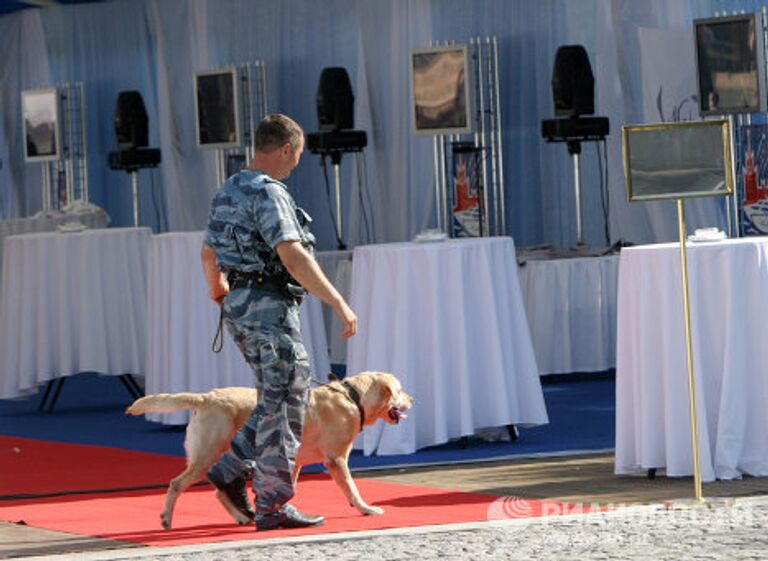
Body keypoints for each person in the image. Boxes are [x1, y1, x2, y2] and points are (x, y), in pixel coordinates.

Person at [200, 114, 357, 531]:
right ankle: (272, 503)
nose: (296, 164)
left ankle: (232, 468)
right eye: (298, 155)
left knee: (276, 396)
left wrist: (218, 289)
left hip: (241, 306)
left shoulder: (227, 189)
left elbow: (207, 254)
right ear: (286, 148)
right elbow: (293, 254)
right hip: (269, 307)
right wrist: (338, 301)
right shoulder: (269, 192)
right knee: (287, 405)